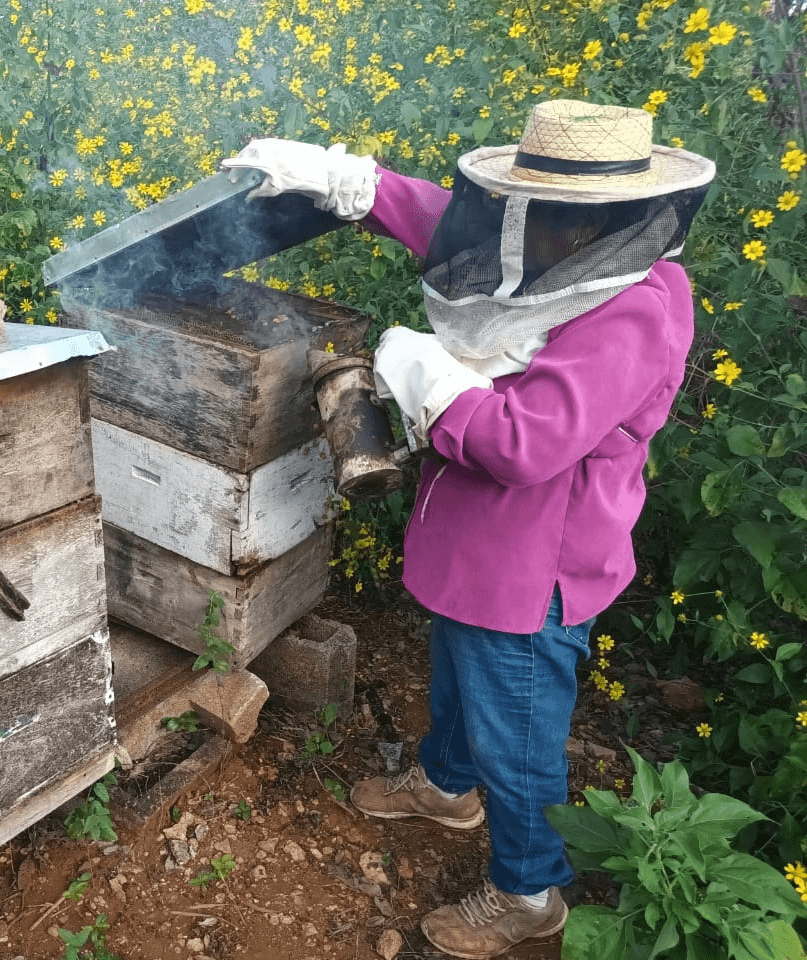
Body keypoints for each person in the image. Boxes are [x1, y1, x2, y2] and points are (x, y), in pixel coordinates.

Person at [222, 100, 715, 959]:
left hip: (532, 569)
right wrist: (348, 181)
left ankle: (529, 890)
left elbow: (524, 444)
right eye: (516, 203)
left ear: (600, 220)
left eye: (537, 209)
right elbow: (456, 230)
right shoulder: (551, 249)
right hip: (477, 546)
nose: (514, 222)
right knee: (460, 673)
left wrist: (428, 373)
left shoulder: (635, 311)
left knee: (515, 733)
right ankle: (447, 786)